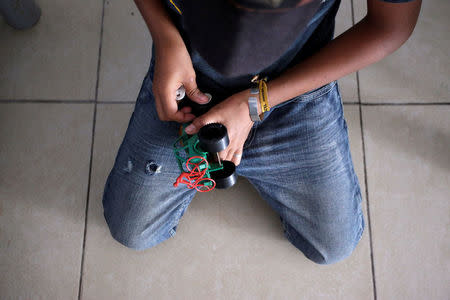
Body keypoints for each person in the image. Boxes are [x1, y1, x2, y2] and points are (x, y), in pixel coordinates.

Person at [102, 0, 421, 264]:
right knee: (132, 230)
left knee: (335, 245)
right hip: (190, 81)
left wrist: (256, 103)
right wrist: (166, 38)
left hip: (293, 89)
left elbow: (391, 26)